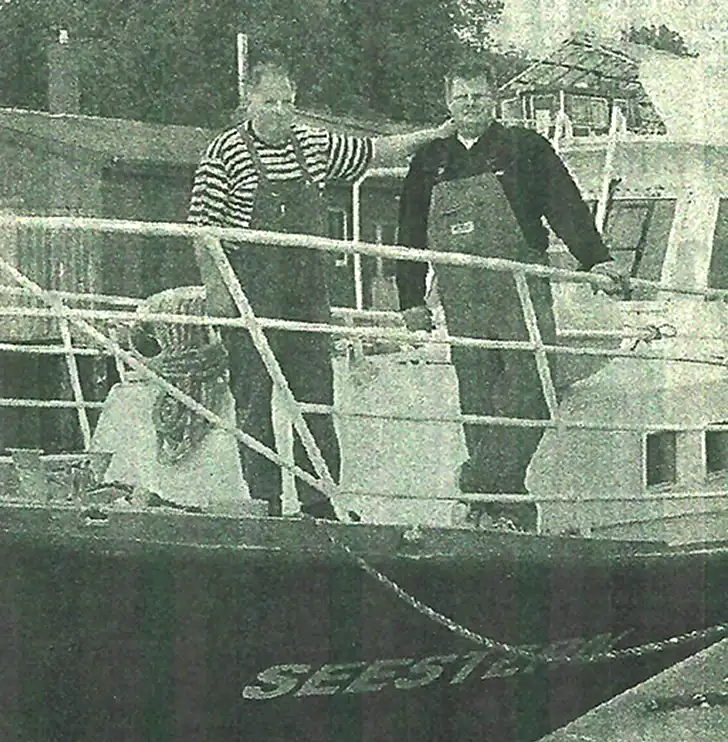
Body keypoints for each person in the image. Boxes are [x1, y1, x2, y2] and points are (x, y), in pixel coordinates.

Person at [188, 60, 454, 519]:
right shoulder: (223, 152)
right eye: (268, 101)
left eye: (287, 100)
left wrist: (434, 134)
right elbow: (203, 234)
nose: (279, 110)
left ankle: (319, 503)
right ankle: (263, 505)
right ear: (247, 102)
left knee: (315, 401)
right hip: (249, 294)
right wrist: (220, 302)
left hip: (307, 298)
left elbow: (377, 152)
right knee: (253, 407)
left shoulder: (312, 143)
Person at [395, 60, 623, 530]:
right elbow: (410, 233)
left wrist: (595, 258)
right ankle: (505, 510)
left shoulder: (525, 148)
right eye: (461, 97)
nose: (470, 105)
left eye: (478, 95)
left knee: (534, 387)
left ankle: (483, 488)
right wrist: (411, 299)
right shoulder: (429, 161)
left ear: (493, 98)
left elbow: (565, 205)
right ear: (447, 102)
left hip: (519, 291)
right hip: (461, 297)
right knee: (477, 400)